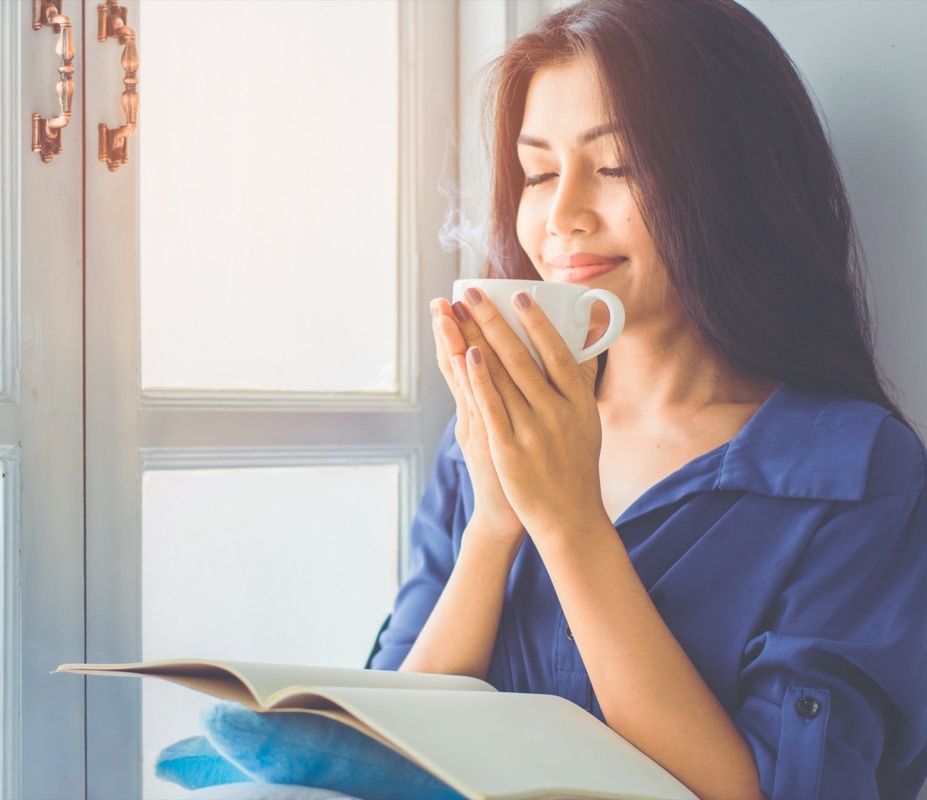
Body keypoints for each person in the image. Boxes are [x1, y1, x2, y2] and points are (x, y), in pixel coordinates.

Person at [366, 1, 927, 799]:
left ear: (734, 180)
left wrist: (569, 526)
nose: (561, 219)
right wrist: (495, 525)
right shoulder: (492, 436)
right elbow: (382, 740)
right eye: (538, 173)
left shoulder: (858, 475)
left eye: (618, 166)